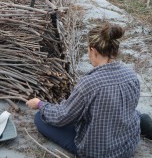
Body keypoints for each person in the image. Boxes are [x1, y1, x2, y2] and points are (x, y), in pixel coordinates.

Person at [26, 23, 152, 158]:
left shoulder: (89, 84)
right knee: (134, 113)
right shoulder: (131, 74)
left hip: (99, 153)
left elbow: (63, 117)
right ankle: (145, 123)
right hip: (127, 146)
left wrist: (40, 104)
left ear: (93, 50)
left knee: (40, 119)